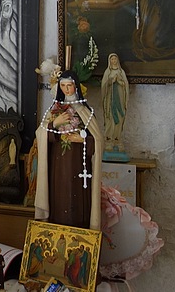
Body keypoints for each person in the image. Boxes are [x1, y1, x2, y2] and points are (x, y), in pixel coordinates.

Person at [34, 71, 103, 230]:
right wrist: (54, 124)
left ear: (75, 86)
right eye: (63, 86)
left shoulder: (85, 111)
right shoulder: (54, 110)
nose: (66, 89)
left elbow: (98, 140)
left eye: (69, 85)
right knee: (59, 199)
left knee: (78, 203)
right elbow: (40, 134)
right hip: (58, 167)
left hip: (79, 166)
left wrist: (84, 140)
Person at [101, 53, 130, 154]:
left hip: (120, 101)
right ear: (110, 61)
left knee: (119, 118)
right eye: (112, 59)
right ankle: (109, 140)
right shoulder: (107, 72)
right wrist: (111, 81)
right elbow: (104, 87)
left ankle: (117, 139)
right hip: (110, 101)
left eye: (115, 59)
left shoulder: (121, 72)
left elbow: (125, 86)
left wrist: (119, 81)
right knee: (110, 119)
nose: (114, 61)